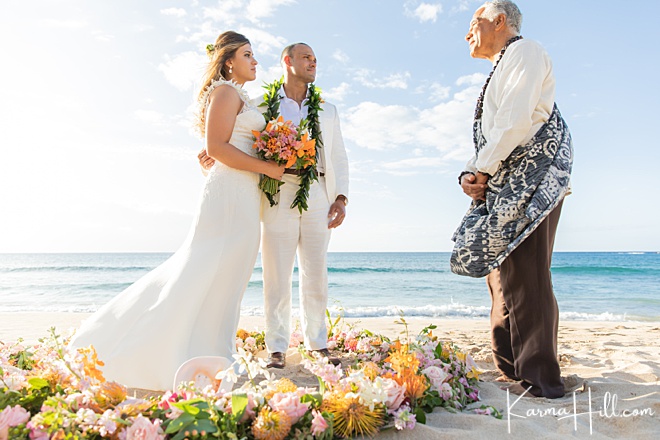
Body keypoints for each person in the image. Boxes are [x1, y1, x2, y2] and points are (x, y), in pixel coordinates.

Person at [70, 31, 285, 391]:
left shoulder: (237, 96)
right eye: (248, 54)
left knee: (227, 274)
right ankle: (171, 350)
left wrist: (266, 159)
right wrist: (267, 168)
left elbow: (225, 146)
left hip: (243, 193)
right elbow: (216, 147)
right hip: (230, 196)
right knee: (205, 267)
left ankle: (214, 350)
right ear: (230, 60)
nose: (255, 61)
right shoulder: (226, 92)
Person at [199, 43, 349, 369]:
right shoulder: (259, 105)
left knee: (315, 271)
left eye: (315, 58)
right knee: (276, 273)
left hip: (318, 193)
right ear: (288, 61)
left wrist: (341, 198)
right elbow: (238, 137)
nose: (313, 62)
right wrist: (213, 152)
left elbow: (338, 156)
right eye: (307, 57)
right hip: (275, 191)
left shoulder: (328, 110)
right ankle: (277, 346)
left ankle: (318, 344)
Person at [451, 0, 573, 398]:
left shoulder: (525, 51)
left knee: (527, 275)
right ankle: (511, 367)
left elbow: (517, 119)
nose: (468, 31)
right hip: (507, 183)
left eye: (475, 21)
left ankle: (540, 378)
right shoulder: (502, 64)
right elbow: (498, 132)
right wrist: (473, 172)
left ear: (500, 21)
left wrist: (481, 169)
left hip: (531, 183)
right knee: (501, 277)